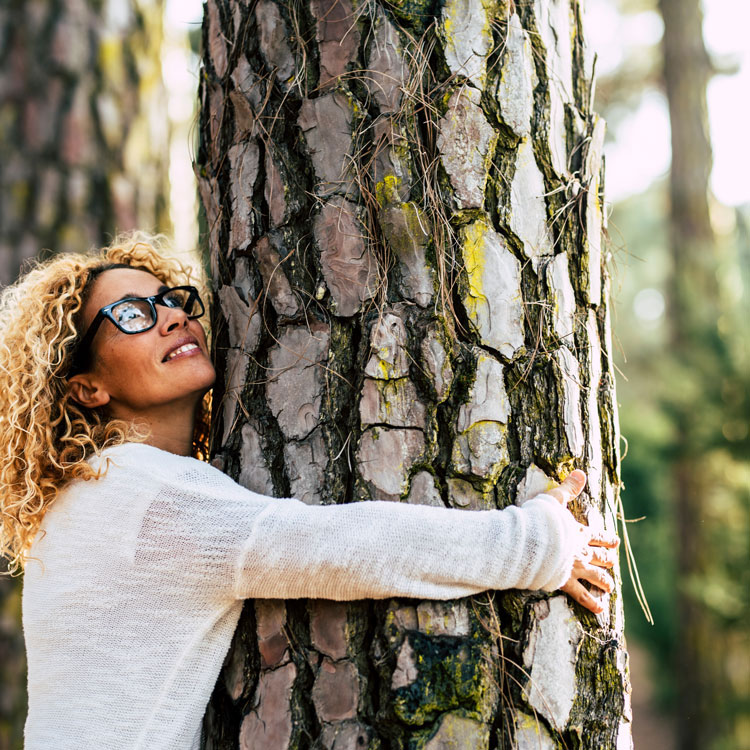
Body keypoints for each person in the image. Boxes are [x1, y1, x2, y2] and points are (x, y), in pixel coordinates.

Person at [0, 234, 619, 749]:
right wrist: (534, 544)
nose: (172, 315)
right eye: (132, 314)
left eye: (170, 300)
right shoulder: (139, 496)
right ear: (86, 388)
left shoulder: (93, 495)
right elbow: (335, 547)